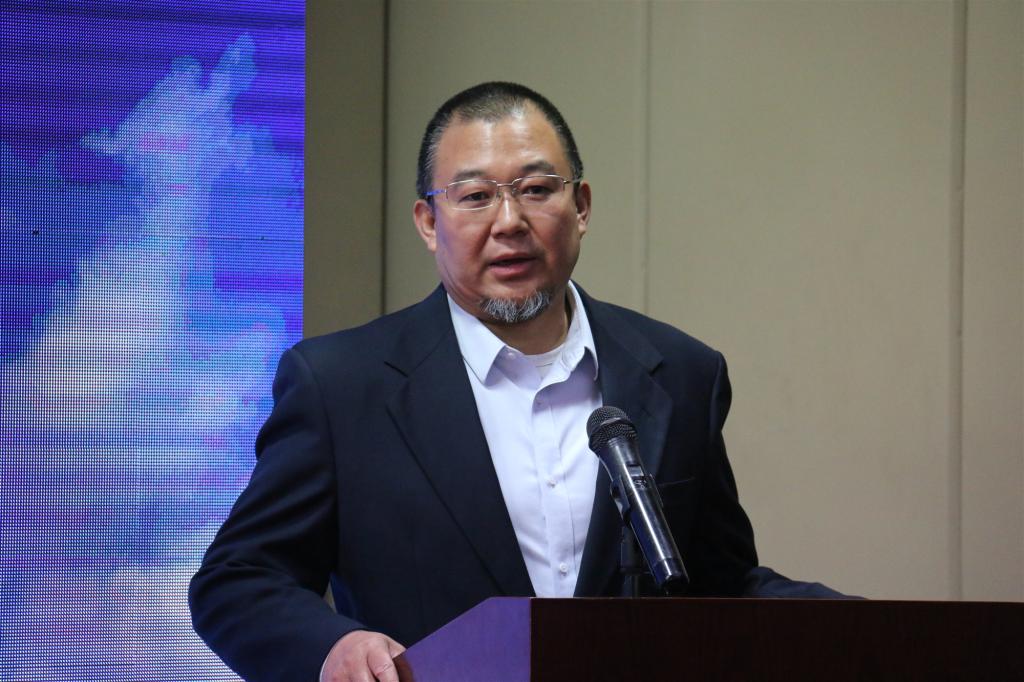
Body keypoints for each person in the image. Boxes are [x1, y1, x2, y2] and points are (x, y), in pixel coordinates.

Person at [189, 82, 844, 682]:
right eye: (475, 196)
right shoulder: (341, 386)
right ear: (428, 222)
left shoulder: (681, 372)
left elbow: (719, 585)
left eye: (535, 189)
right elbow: (238, 579)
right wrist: (333, 646)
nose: (508, 221)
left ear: (581, 206)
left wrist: (865, 625)